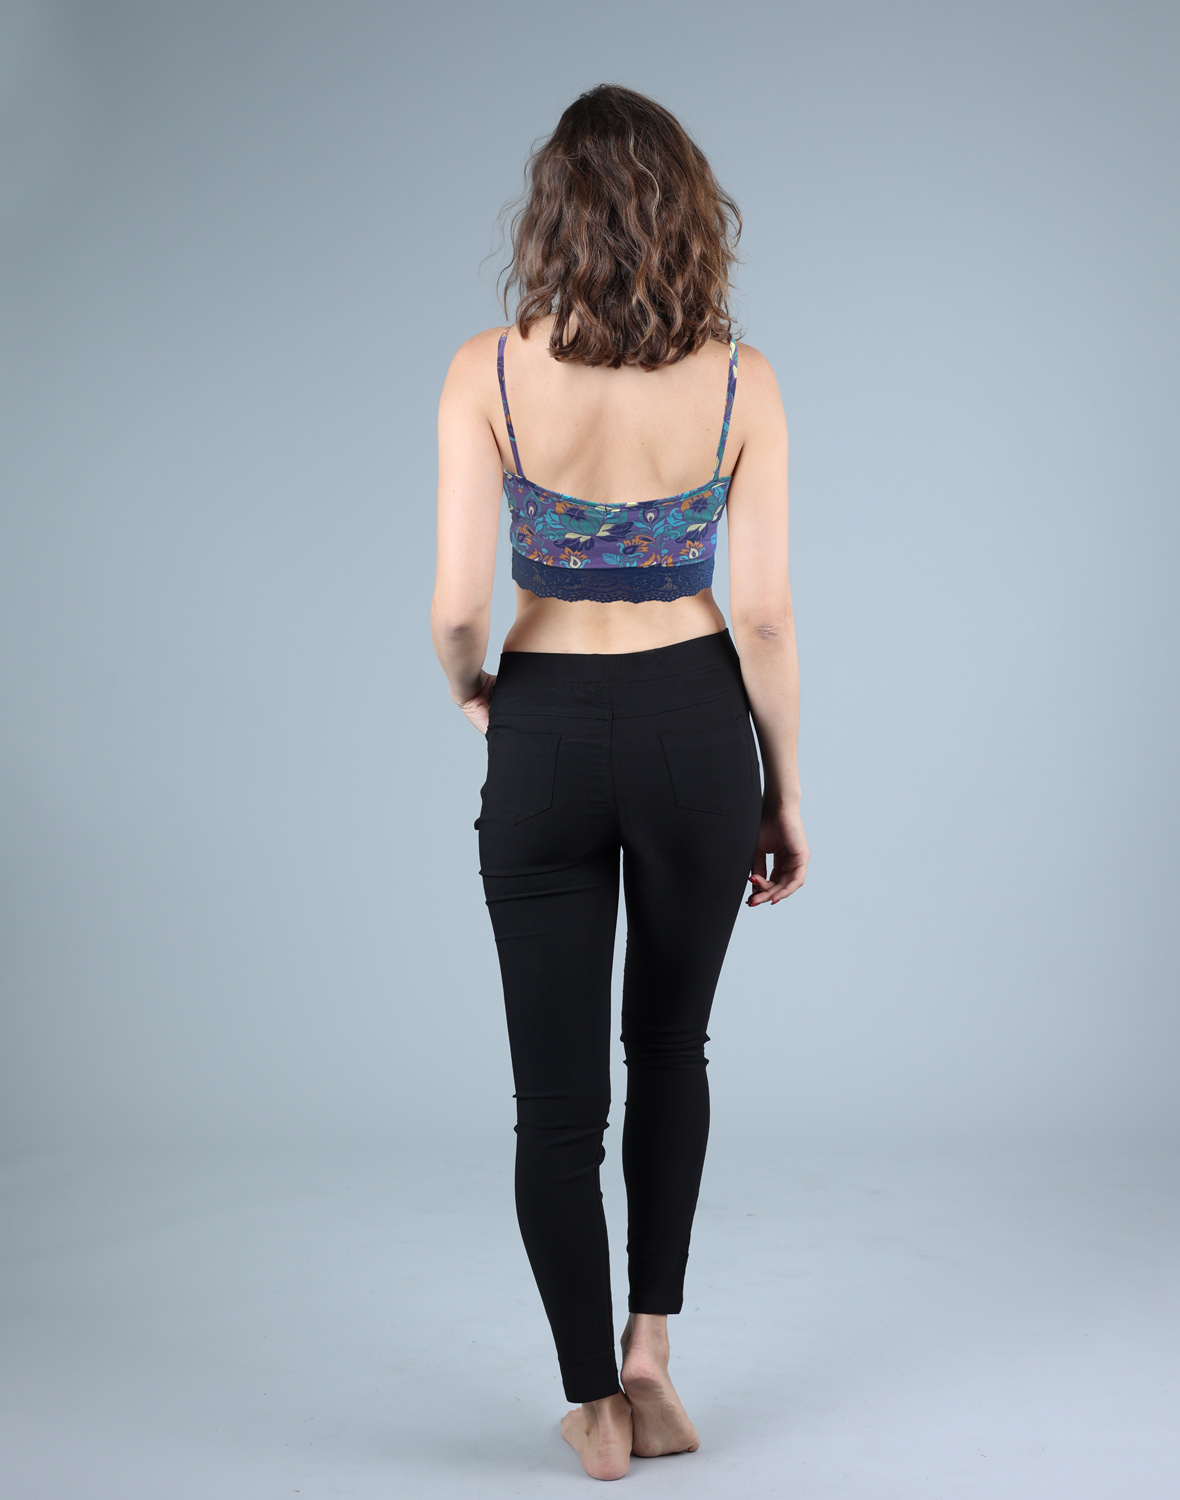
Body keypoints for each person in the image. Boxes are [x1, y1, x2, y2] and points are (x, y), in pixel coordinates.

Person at [431, 83, 808, 1481]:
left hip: (544, 724)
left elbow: (452, 609)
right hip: (694, 724)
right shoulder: (741, 382)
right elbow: (762, 615)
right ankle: (654, 1358)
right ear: (690, 215)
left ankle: (591, 1404)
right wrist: (783, 789)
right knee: (672, 1053)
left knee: (554, 1105)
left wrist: (476, 690)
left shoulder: (486, 372)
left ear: (553, 216)